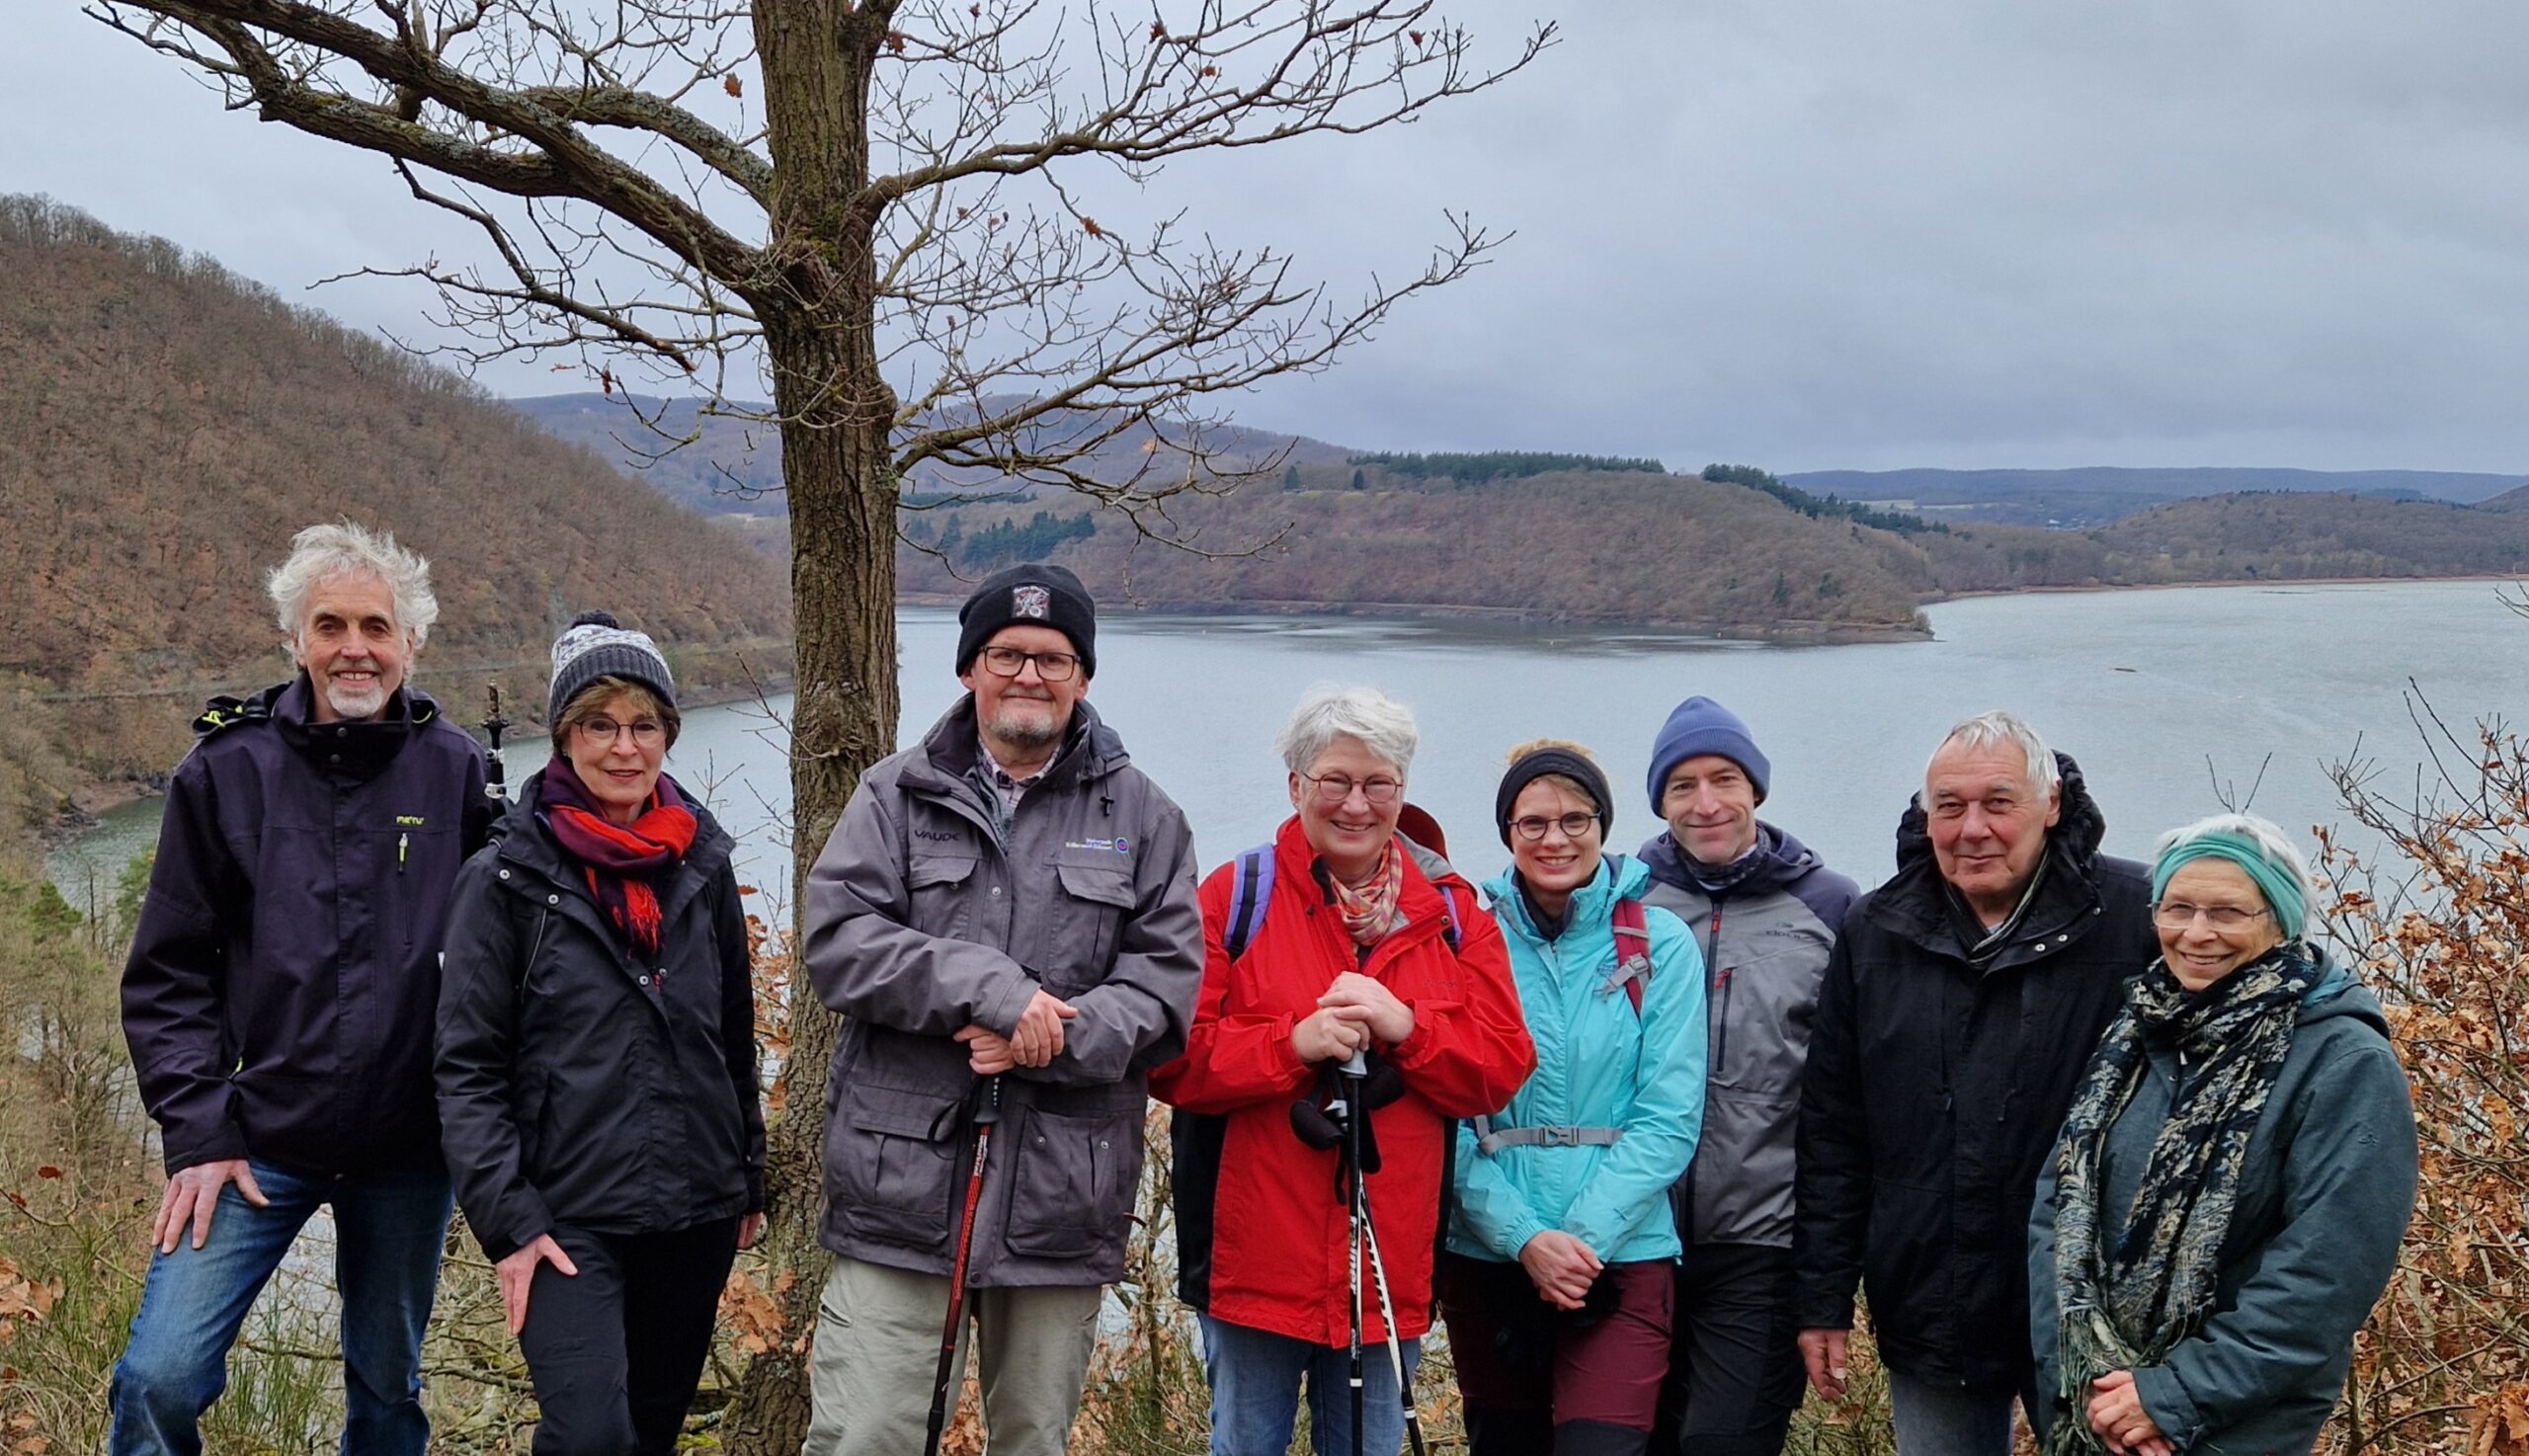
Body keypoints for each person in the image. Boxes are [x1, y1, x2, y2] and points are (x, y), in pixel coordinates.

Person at [800, 563, 1205, 1456]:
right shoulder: (893, 796)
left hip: (1061, 1200)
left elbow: (1165, 991)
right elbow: (838, 943)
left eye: (1054, 659)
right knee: (869, 1437)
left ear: (1083, 677)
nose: (1030, 675)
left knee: (1033, 1442)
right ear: (969, 669)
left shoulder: (1147, 817)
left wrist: (1045, 1037)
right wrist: (988, 989)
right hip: (900, 1194)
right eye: (1007, 654)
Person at [113, 523, 493, 1456]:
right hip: (256, 1140)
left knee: (388, 1390)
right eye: (330, 625)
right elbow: (168, 974)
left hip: (409, 1148)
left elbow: (508, 958)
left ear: (412, 643)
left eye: (376, 626)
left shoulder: (457, 772)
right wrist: (199, 1131)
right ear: (296, 641)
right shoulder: (225, 772)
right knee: (159, 1376)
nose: (354, 648)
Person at [1153, 685, 1535, 1456]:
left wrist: (1409, 1028)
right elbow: (1170, 1060)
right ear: (1296, 785)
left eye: (1377, 784)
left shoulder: (1453, 914)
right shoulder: (1236, 897)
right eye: (1335, 780)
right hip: (1253, 1263)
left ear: (1402, 789)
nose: (1356, 804)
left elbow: (1499, 1068)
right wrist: (1290, 1045)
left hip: (1389, 1267)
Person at [435, 612, 766, 1454]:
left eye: (644, 725)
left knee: (651, 1431)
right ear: (564, 737)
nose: (625, 747)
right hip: (563, 1213)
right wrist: (509, 1221)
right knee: (590, 1437)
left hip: (695, 1205)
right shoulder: (505, 879)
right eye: (599, 725)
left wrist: (748, 1176)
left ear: (667, 736)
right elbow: (467, 1068)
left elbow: (732, 1031)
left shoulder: (701, 865)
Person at [1795, 710, 2155, 1456]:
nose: (1972, 829)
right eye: (1950, 807)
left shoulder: (2138, 919)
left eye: (1998, 803)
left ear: (2051, 804)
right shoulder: (1876, 931)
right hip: (1932, 1298)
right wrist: (1822, 1298)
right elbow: (1834, 1130)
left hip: (2095, 1309)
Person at [2030, 814, 2416, 1456]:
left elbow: (2327, 1270)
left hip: (2233, 1422)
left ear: (2281, 920)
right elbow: (2058, 1206)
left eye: (2228, 912)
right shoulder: (2137, 1031)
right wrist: (2085, 1377)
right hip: (2095, 1410)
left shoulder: (2344, 1062)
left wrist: (2172, 1397)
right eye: (2177, 908)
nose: (2197, 932)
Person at [1440, 741, 1708, 1455]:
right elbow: (1447, 1116)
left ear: (1602, 826)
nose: (1554, 840)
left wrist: (1578, 1244)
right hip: (1489, 1251)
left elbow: (1669, 1117)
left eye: (1574, 820)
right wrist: (1525, 1238)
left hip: (1623, 1252)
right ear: (1508, 832)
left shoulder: (1659, 944)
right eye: (1533, 823)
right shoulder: (1466, 941)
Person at [1633, 697, 1857, 1456]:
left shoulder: (1830, 906)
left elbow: (1852, 1096)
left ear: (1755, 788)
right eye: (1682, 786)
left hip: (1764, 1243)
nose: (1706, 804)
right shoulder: (1626, 899)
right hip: (1638, 1234)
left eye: (1724, 779)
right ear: (1660, 802)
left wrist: (1829, 1275)